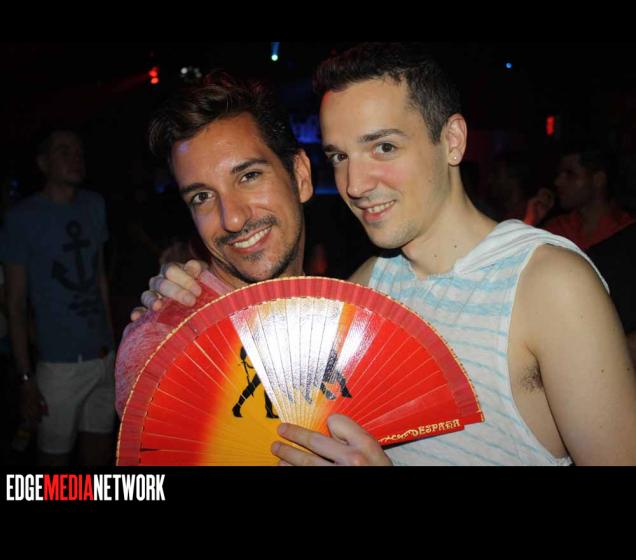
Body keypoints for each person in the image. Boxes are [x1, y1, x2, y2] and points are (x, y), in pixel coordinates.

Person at [134, 44, 636, 466]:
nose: (354, 183)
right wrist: (182, 312)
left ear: (452, 141)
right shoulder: (366, 289)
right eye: (340, 156)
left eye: (384, 148)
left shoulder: (550, 286)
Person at [115, 72, 314, 418]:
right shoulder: (163, 344)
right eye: (202, 196)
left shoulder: (349, 315)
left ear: (300, 176)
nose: (232, 219)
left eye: (248, 176)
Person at [0, 129, 116, 465]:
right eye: (63, 151)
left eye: (78, 152)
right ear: (43, 163)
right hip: (59, 365)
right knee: (54, 462)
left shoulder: (94, 205)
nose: (75, 158)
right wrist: (26, 378)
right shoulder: (22, 219)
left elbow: (99, 279)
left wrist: (112, 343)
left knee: (99, 451)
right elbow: (14, 304)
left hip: (104, 355)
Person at [544, 143, 635, 250]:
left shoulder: (626, 230)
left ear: (598, 179)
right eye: (559, 174)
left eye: (570, 174)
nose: (557, 182)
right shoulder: (558, 228)